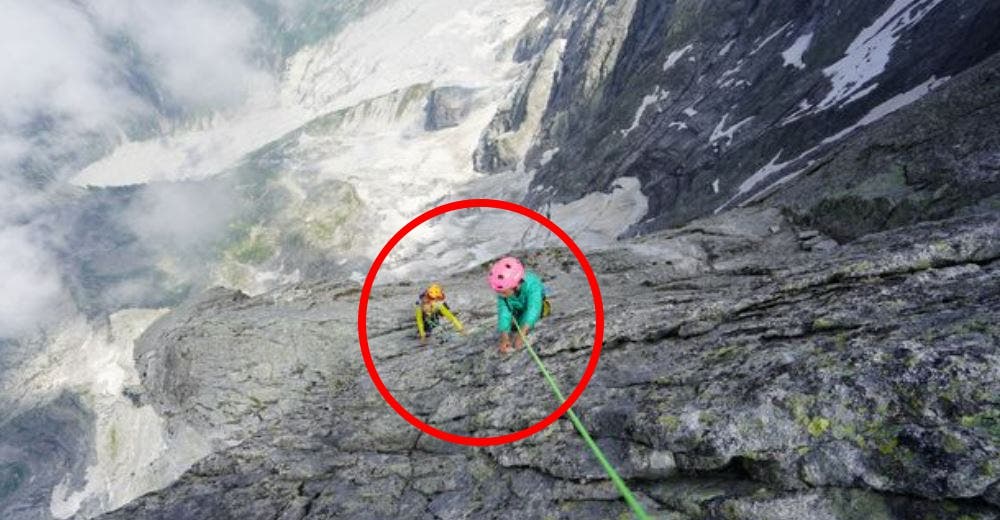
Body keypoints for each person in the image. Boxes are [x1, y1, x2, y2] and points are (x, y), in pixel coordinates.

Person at [488, 256, 551, 354]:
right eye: (498, 292)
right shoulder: (505, 291)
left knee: (526, 321)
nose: (501, 295)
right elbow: (504, 312)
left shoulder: (533, 285)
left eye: (503, 292)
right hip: (518, 307)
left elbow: (533, 309)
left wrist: (521, 334)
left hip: (538, 306)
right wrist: (504, 337)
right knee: (513, 326)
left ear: (515, 286)